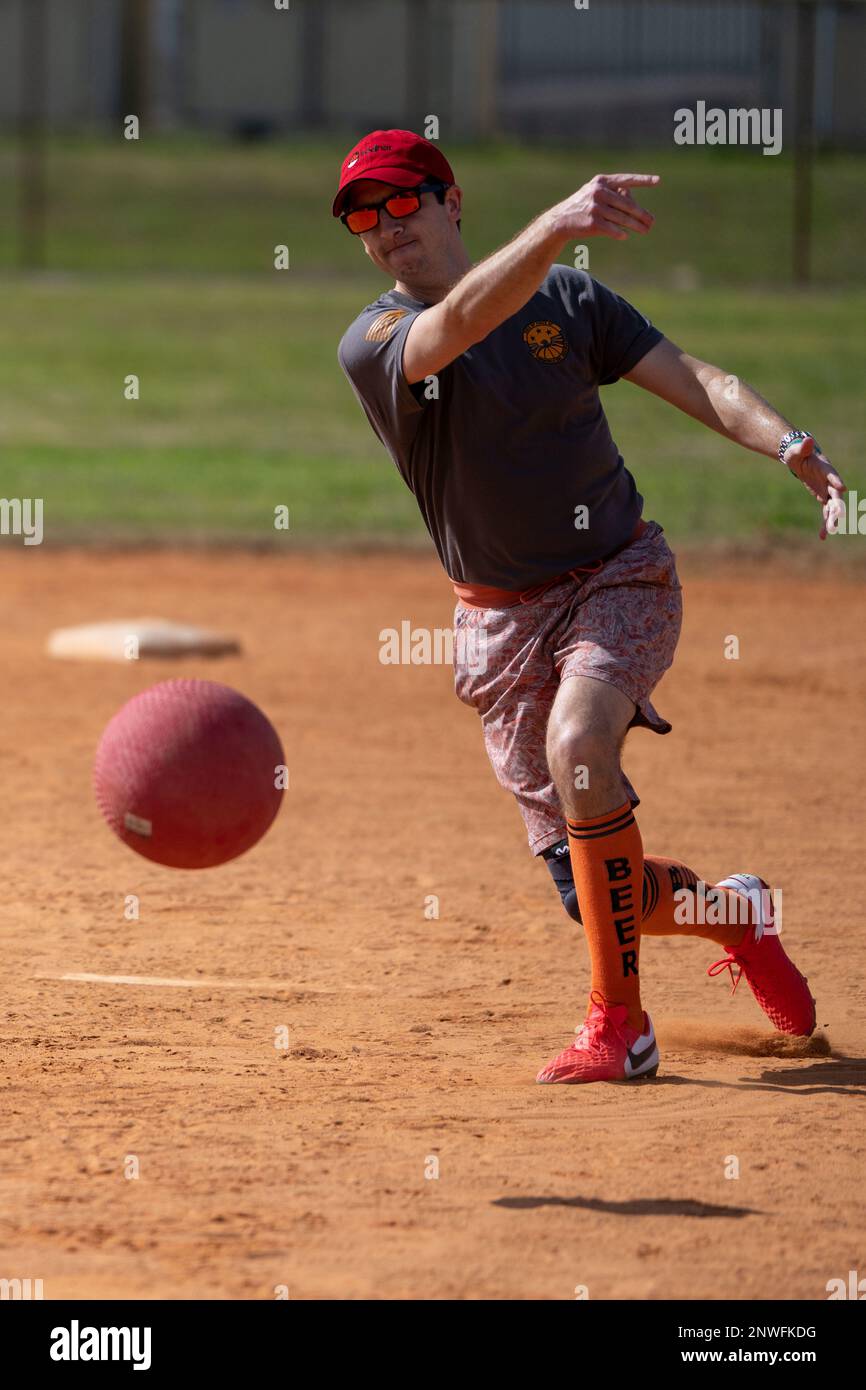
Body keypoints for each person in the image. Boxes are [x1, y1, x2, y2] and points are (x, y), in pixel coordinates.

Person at [334, 129, 844, 1084]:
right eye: (363, 215)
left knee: (580, 746)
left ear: (452, 201)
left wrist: (789, 446)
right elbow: (455, 327)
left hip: (619, 578)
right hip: (498, 624)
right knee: (592, 894)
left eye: (403, 201)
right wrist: (556, 225)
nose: (384, 227)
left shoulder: (569, 300)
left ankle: (622, 1026)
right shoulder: (373, 342)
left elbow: (695, 379)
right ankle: (735, 913)